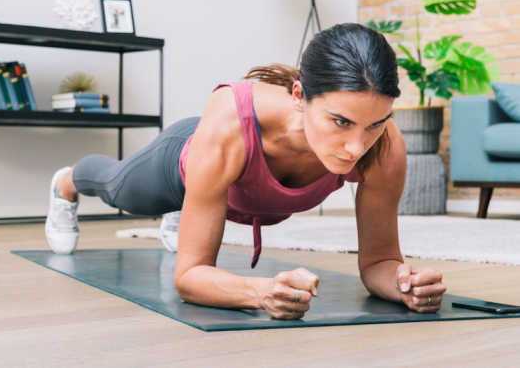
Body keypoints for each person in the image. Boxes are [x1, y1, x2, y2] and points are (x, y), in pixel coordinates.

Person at [44, 23, 447, 320]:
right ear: (298, 96)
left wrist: (403, 284)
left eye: (374, 124)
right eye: (341, 122)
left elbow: (378, 261)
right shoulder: (230, 124)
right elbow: (189, 277)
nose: (358, 147)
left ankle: (189, 217)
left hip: (219, 178)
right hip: (181, 162)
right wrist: (260, 292)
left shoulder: (385, 145)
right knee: (117, 187)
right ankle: (67, 181)